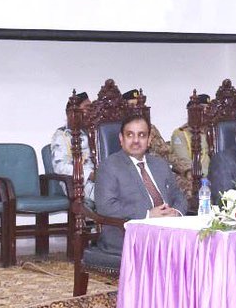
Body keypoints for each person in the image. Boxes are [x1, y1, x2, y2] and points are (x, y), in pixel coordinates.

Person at [93, 114, 184, 254]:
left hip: (168, 230)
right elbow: (106, 206)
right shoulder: (109, 167)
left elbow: (178, 195)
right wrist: (148, 214)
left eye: (142, 135)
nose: (136, 140)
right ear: (121, 139)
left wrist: (176, 212)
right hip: (128, 234)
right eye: (130, 135)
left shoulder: (160, 164)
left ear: (149, 140)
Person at [50, 91, 94, 197]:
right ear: (72, 113)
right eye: (87, 108)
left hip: (98, 180)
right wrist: (89, 174)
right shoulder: (62, 135)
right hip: (76, 183)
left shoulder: (91, 132)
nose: (91, 112)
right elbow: (60, 167)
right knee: (107, 194)